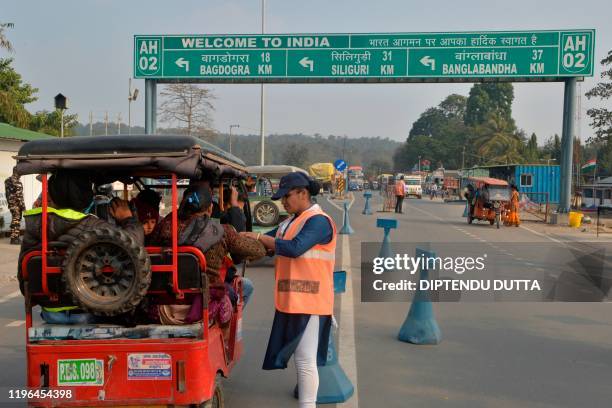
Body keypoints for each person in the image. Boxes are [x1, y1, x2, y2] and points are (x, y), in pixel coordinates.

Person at [244, 172, 336, 408]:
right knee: (300, 359)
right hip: (292, 300)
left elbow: (295, 248)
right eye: (281, 198)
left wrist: (258, 238)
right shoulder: (288, 222)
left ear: (303, 193)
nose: (282, 202)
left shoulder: (319, 221)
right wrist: (241, 241)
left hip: (311, 301)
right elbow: (265, 244)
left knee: (305, 361)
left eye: (286, 196)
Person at [18, 170, 144, 324]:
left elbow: (23, 279)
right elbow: (134, 244)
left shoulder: (34, 225)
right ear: (85, 197)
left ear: (53, 194)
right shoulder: (94, 226)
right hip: (92, 311)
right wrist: (128, 219)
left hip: (52, 312)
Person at [152, 185, 265, 328]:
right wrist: (257, 238)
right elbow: (258, 251)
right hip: (204, 302)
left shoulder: (166, 225)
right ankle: (225, 343)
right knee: (243, 288)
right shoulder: (222, 231)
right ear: (210, 208)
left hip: (163, 300)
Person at [5, 167, 25, 245]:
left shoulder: (7, 180)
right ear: (17, 172)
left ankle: (14, 237)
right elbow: (19, 196)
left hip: (11, 204)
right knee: (16, 220)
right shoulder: (17, 182)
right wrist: (23, 207)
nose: (21, 174)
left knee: (14, 220)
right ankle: (15, 239)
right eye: (20, 172)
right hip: (16, 204)